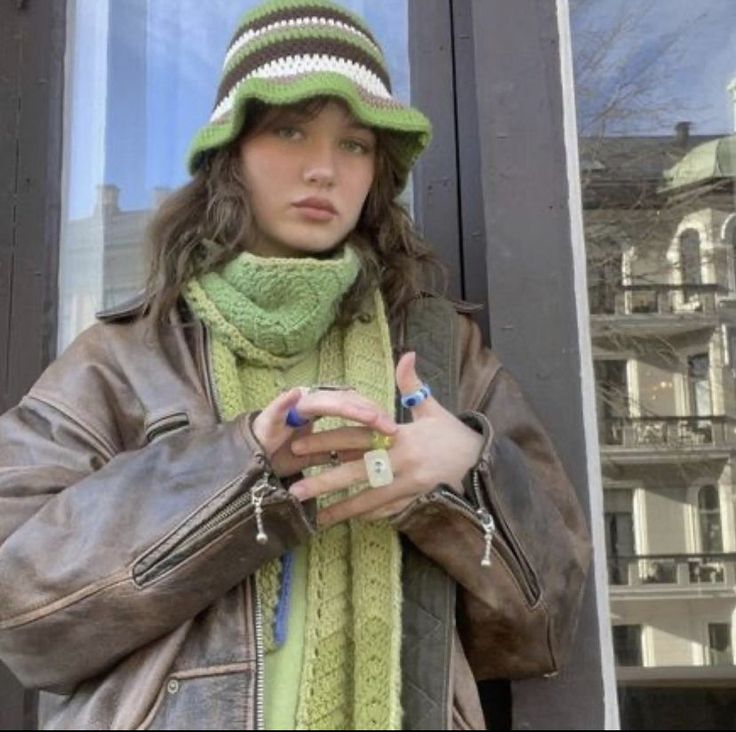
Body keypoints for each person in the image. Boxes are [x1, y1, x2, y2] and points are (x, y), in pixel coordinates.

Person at [0, 1, 592, 729]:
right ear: (232, 153)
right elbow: (21, 613)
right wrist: (243, 470)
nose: (323, 169)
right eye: (288, 130)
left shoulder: (441, 351)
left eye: (354, 145)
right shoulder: (126, 357)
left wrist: (464, 477)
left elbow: (546, 623)